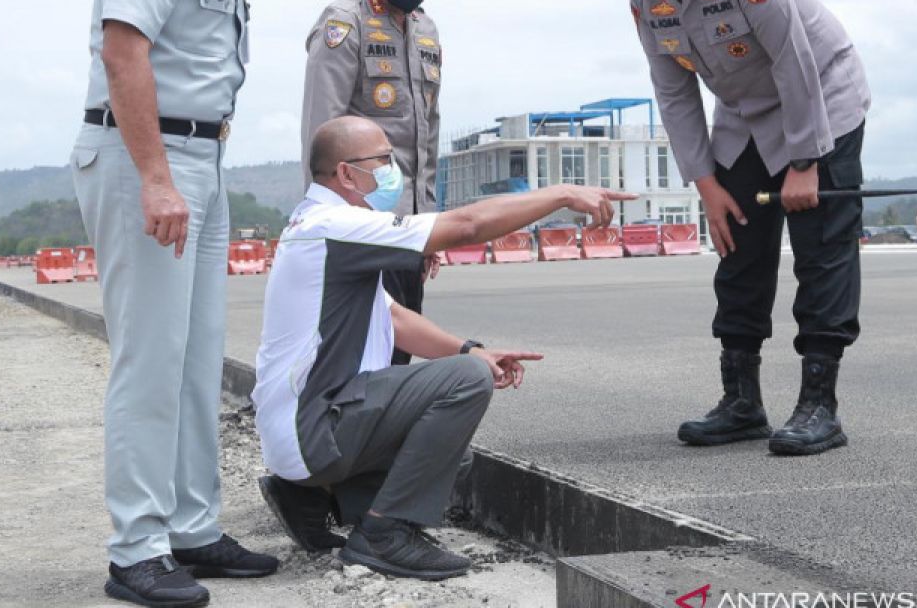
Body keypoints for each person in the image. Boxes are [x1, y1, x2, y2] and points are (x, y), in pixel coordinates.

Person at [71, 0, 326, 608]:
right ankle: (137, 549)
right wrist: (154, 177)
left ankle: (190, 527)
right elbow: (125, 53)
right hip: (145, 156)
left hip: (202, 161)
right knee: (150, 357)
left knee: (194, 359)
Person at [253, 117, 633, 579]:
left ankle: (312, 498)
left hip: (297, 434)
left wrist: (470, 350)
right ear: (346, 174)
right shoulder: (336, 224)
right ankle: (383, 535)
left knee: (451, 453)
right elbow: (468, 224)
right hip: (313, 430)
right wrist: (562, 194)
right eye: (383, 161)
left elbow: (394, 318)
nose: (393, 171)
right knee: (465, 383)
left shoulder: (323, 228)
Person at [589, 0, 871, 456]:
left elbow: (795, 61)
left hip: (821, 104)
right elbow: (673, 92)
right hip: (744, 115)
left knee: (821, 249)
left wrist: (804, 162)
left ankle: (820, 404)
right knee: (736, 244)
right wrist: (707, 185)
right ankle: (742, 402)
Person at [300, 0, 450, 365]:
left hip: (407, 231)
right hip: (360, 230)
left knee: (399, 359)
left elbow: (427, 137)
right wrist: (325, 231)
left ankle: (387, 439)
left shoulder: (425, 30)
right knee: (358, 361)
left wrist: (428, 227)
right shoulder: (344, 24)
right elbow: (321, 133)